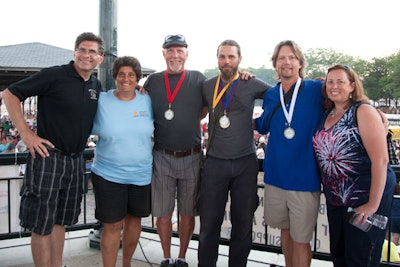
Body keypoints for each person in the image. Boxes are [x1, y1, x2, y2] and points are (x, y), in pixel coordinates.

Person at [1, 32, 105, 267]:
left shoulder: (95, 85)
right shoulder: (54, 75)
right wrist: (26, 135)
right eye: (82, 49)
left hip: (76, 159)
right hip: (48, 157)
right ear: (75, 52)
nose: (86, 55)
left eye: (92, 52)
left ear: (100, 58)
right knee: (41, 222)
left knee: (60, 221)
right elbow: (10, 94)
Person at [312, 64, 396, 266]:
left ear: (352, 86)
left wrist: (373, 205)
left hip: (364, 197)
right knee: (339, 256)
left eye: (340, 81)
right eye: (330, 81)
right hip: (337, 199)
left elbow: (381, 160)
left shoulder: (363, 111)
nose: (334, 86)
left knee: (361, 258)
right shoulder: (328, 112)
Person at [198, 39, 270, 267]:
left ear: (240, 59)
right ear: (217, 59)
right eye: (222, 56)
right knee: (209, 223)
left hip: (245, 163)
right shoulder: (208, 86)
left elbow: (283, 95)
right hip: (215, 163)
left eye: (231, 57)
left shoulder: (253, 83)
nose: (226, 61)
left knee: (243, 223)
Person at [255, 40, 324, 267]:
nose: (287, 62)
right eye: (281, 58)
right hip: (276, 176)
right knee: (285, 232)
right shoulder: (272, 95)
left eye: (292, 57)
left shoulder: (315, 89)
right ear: (275, 64)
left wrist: (372, 112)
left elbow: (344, 99)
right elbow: (263, 125)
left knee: (302, 240)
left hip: (305, 178)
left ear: (300, 63)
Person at [142, 34, 207, 267]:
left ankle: (181, 257)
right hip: (162, 156)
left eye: (180, 51)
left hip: (191, 156)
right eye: (170, 51)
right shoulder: (153, 81)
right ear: (163, 54)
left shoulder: (198, 79)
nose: (175, 55)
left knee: (188, 213)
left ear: (187, 54)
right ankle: (167, 257)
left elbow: (207, 108)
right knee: (163, 214)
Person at [90, 56, 154, 267]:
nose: (126, 79)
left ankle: (126, 264)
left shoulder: (148, 100)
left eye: (131, 75)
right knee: (112, 225)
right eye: (121, 74)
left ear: (138, 79)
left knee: (134, 222)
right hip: (108, 174)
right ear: (115, 77)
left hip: (141, 174)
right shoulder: (102, 100)